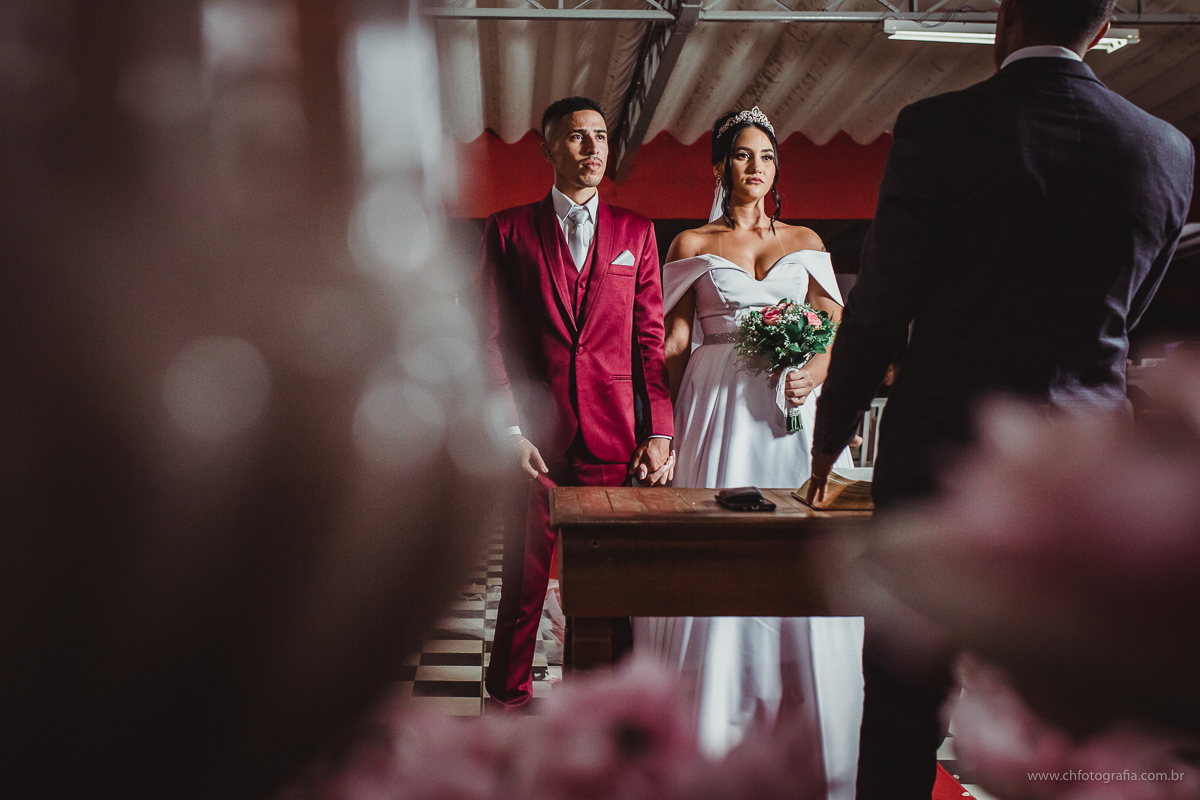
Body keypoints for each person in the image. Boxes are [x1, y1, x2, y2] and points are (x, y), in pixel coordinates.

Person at [808, 0, 1195, 796]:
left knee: (903, 714)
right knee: (1077, 721)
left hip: (939, 463)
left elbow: (881, 304)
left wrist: (831, 431)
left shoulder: (937, 128)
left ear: (1005, 17)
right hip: (1087, 482)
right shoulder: (1165, 149)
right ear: (1105, 22)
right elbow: (1132, 312)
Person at [634, 108, 863, 800]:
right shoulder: (691, 243)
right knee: (720, 549)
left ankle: (811, 722)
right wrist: (673, 425)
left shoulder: (806, 240)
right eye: (741, 155)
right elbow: (672, 345)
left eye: (765, 156)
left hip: (792, 416)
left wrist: (817, 371)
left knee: (806, 550)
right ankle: (714, 728)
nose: (755, 166)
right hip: (719, 415)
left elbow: (832, 327)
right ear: (718, 167)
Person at [479, 96, 676, 711]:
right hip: (535, 441)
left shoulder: (636, 233)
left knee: (611, 584)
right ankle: (508, 707)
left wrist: (660, 430)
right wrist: (510, 429)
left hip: (615, 436)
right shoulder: (508, 228)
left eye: (600, 137)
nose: (593, 149)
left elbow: (649, 343)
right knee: (525, 583)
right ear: (547, 149)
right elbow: (488, 337)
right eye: (576, 138)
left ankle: (600, 709)